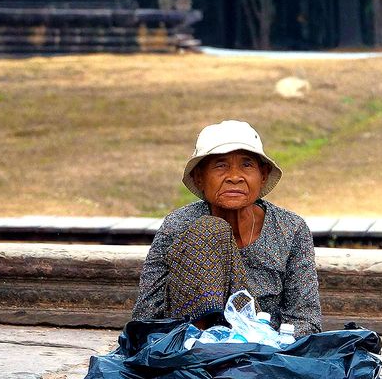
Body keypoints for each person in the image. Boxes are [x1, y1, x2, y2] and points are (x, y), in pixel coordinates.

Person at [132, 120, 322, 336]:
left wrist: (270, 345)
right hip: (191, 352)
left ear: (263, 175)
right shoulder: (178, 226)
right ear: (199, 177)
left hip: (263, 351)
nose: (234, 177)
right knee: (210, 230)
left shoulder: (290, 229)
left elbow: (306, 320)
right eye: (220, 165)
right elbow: (145, 316)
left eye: (247, 165)